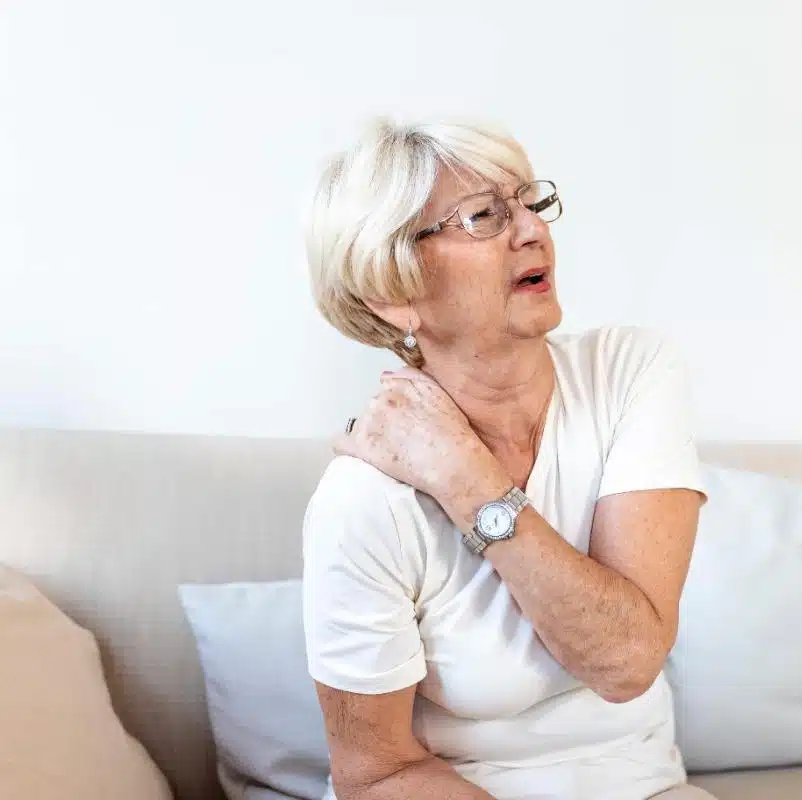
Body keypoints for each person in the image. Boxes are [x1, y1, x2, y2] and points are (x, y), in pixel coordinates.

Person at [301, 116, 713, 800]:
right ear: (394, 294)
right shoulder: (362, 501)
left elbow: (626, 663)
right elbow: (374, 773)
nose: (532, 231)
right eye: (484, 216)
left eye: (530, 201)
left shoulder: (630, 373)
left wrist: (467, 478)